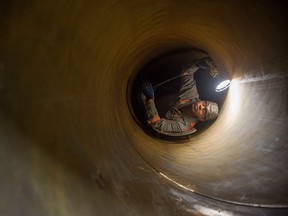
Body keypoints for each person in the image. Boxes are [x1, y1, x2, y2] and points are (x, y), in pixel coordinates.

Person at [142, 57, 219, 136]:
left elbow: (155, 122)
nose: (201, 107)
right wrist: (198, 65)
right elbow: (186, 74)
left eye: (204, 111)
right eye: (204, 104)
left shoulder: (182, 126)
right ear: (203, 100)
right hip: (163, 99)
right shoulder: (192, 96)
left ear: (201, 119)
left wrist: (150, 99)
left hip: (150, 113)